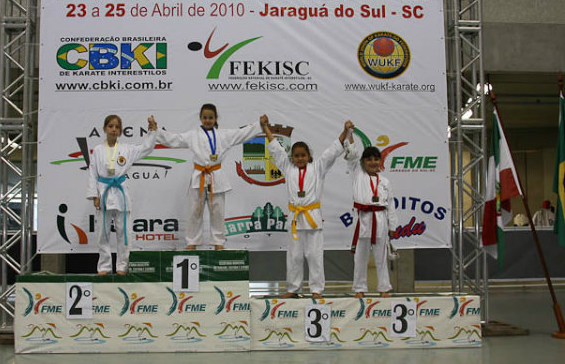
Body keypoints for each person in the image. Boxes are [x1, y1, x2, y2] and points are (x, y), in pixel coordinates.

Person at [262, 119, 353, 299]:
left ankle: (316, 289)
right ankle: (293, 288)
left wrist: (345, 131)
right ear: (292, 157)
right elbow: (276, 149)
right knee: (294, 256)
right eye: (296, 155)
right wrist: (265, 128)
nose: (300, 158)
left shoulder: (318, 167)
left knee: (314, 255)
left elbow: (333, 151)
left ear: (309, 155)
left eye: (303, 155)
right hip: (295, 218)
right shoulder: (287, 168)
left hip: (312, 217)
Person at [157, 104, 267, 250]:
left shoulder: (224, 135)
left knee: (217, 211)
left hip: (216, 176)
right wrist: (156, 131)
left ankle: (218, 242)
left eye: (210, 117)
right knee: (194, 211)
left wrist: (259, 125)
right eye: (205, 117)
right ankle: (192, 242)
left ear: (215, 118)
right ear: (200, 118)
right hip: (199, 176)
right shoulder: (192, 135)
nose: (207, 120)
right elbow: (174, 139)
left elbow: (241, 133)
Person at [87, 114, 158, 275]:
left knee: (123, 232)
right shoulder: (97, 150)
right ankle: (104, 267)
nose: (114, 129)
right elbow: (92, 173)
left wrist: (152, 131)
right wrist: (94, 195)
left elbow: (145, 148)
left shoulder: (127, 149)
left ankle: (122, 266)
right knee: (102, 232)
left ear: (120, 131)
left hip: (120, 192)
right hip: (104, 191)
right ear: (105, 128)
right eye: (111, 126)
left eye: (117, 127)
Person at [344, 141, 398, 298]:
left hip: (380, 220)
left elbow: (391, 205)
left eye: (376, 159)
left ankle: (384, 288)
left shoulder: (385, 182)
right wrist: (349, 137)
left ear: (380, 161)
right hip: (363, 219)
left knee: (381, 257)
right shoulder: (358, 174)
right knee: (360, 258)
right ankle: (359, 289)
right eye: (369, 159)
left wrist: (392, 226)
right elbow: (352, 157)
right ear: (363, 162)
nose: (373, 162)